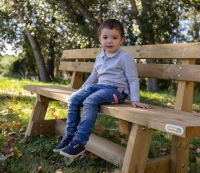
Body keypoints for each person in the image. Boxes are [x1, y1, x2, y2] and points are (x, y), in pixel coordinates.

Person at [53, 18, 151, 158]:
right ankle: (69, 136)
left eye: (114, 37)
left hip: (116, 91)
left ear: (121, 40)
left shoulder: (125, 57)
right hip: (99, 87)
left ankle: (79, 142)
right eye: (105, 37)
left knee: (90, 101)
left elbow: (133, 79)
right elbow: (94, 75)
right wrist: (83, 89)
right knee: (74, 99)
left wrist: (135, 99)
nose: (109, 41)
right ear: (100, 39)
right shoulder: (100, 56)